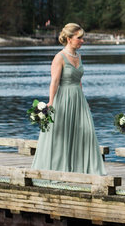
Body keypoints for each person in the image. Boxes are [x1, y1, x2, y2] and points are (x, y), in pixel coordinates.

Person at [32, 23, 106, 174]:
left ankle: (85, 169)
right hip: (63, 99)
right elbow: (54, 81)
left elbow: (78, 81)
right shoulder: (59, 57)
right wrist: (51, 103)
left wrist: (84, 100)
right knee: (62, 135)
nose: (82, 41)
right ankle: (58, 169)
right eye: (79, 38)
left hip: (78, 99)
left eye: (82, 38)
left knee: (86, 132)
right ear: (69, 38)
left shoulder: (79, 56)